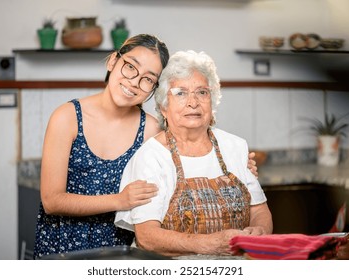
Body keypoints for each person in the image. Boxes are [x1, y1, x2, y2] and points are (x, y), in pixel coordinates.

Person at [33, 34, 258, 259]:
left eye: (148, 79)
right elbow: (52, 200)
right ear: (113, 61)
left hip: (120, 251)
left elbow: (183, 165)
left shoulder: (150, 129)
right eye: (130, 67)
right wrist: (119, 200)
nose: (134, 82)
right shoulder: (67, 117)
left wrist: (238, 166)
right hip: (63, 247)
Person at [115, 50, 273, 257]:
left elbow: (259, 211)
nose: (193, 102)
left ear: (212, 100)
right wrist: (209, 244)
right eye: (180, 93)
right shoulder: (151, 157)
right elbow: (147, 237)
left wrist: (260, 231)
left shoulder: (235, 146)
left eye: (202, 92)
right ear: (163, 107)